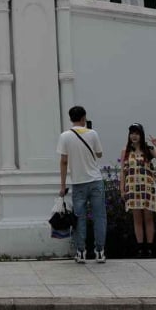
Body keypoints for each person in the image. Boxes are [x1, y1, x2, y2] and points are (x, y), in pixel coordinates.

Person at [57, 106, 106, 263]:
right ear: (84, 117)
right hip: (95, 180)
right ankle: (100, 251)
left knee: (79, 218)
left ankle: (81, 252)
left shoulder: (65, 136)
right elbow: (99, 154)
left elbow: (64, 162)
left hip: (78, 182)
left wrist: (63, 185)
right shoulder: (93, 134)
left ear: (71, 118)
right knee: (99, 217)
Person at [120, 122, 156, 257]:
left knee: (148, 217)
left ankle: (150, 247)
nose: (134, 136)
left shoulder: (148, 149)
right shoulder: (126, 151)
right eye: (132, 133)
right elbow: (122, 172)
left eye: (136, 133)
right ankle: (140, 247)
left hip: (147, 188)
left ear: (141, 135)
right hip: (133, 188)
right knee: (137, 218)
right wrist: (122, 190)